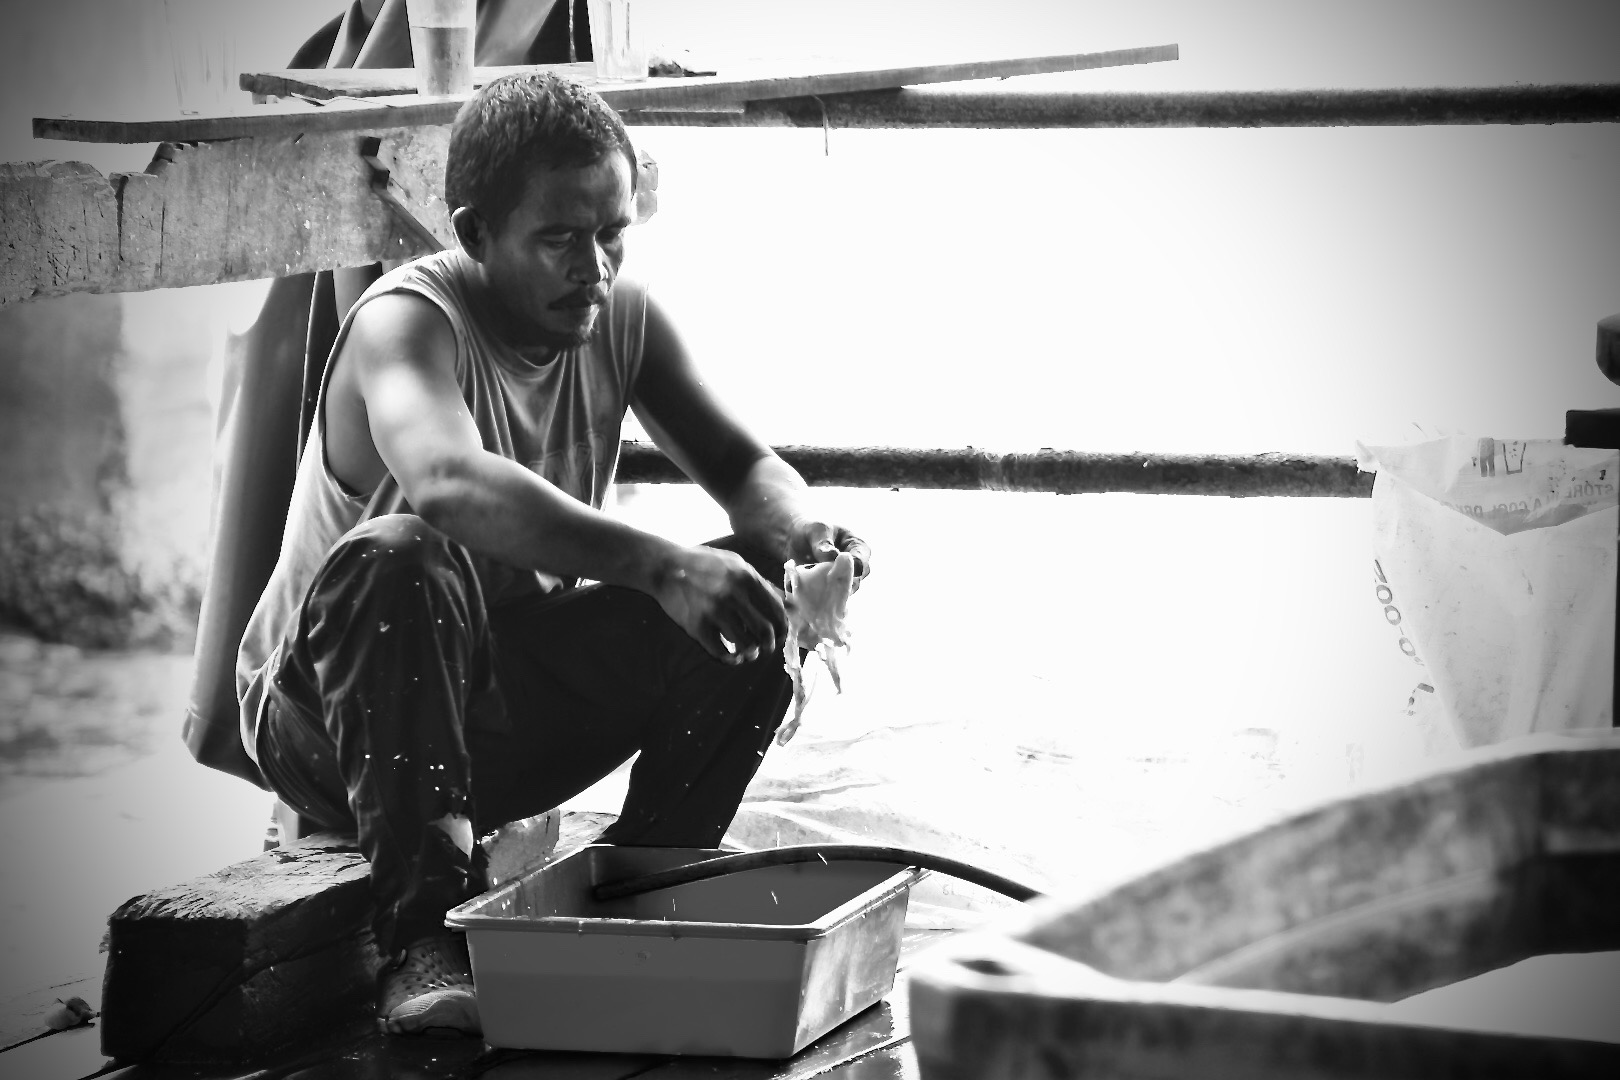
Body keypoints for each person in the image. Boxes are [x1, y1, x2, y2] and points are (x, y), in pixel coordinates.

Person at [234, 70, 871, 1036]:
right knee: (401, 553)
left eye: (613, 232)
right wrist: (659, 565)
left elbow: (747, 468)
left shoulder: (622, 316)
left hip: (496, 710)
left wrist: (812, 539)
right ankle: (422, 941)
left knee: (750, 585)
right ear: (474, 232)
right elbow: (448, 481)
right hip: (332, 721)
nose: (596, 265)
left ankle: (644, 891)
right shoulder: (406, 325)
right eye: (561, 239)